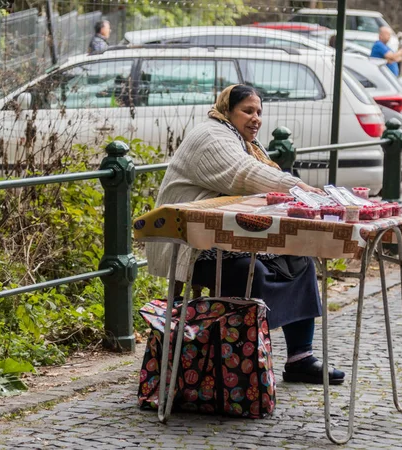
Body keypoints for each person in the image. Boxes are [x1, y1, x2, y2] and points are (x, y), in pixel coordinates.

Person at [146, 84, 345, 386]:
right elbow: (245, 174)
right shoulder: (212, 136)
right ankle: (238, 361)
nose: (256, 119)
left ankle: (300, 358)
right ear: (227, 111)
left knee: (298, 257)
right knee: (248, 272)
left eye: (259, 112)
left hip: (228, 237)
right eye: (248, 111)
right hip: (195, 245)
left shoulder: (241, 140)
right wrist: (298, 187)